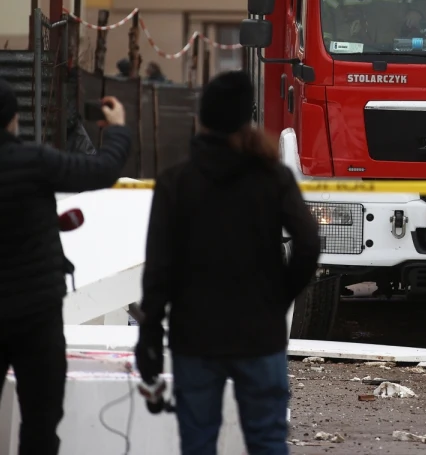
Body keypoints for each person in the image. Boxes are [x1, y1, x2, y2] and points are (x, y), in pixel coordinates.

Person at [0, 79, 131, 455]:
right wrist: (118, 128)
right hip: (37, 318)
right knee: (40, 423)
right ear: (13, 119)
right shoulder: (35, 162)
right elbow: (103, 170)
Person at [136, 71, 320, 455]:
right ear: (244, 121)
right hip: (260, 336)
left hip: (195, 337)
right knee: (268, 442)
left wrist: (150, 336)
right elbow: (308, 243)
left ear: (201, 120)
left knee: (198, 443)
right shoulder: (273, 177)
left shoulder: (176, 183)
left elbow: (158, 269)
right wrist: (278, 298)